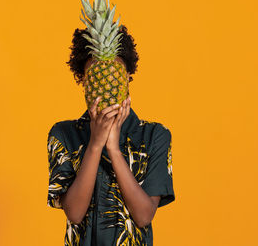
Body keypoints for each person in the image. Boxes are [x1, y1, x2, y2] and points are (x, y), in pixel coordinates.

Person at [47, 25, 175, 246]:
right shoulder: (63, 134)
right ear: (85, 82)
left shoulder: (155, 135)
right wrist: (96, 145)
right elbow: (75, 213)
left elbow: (144, 216)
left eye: (113, 74)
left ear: (126, 77)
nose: (105, 84)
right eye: (96, 76)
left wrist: (114, 150)